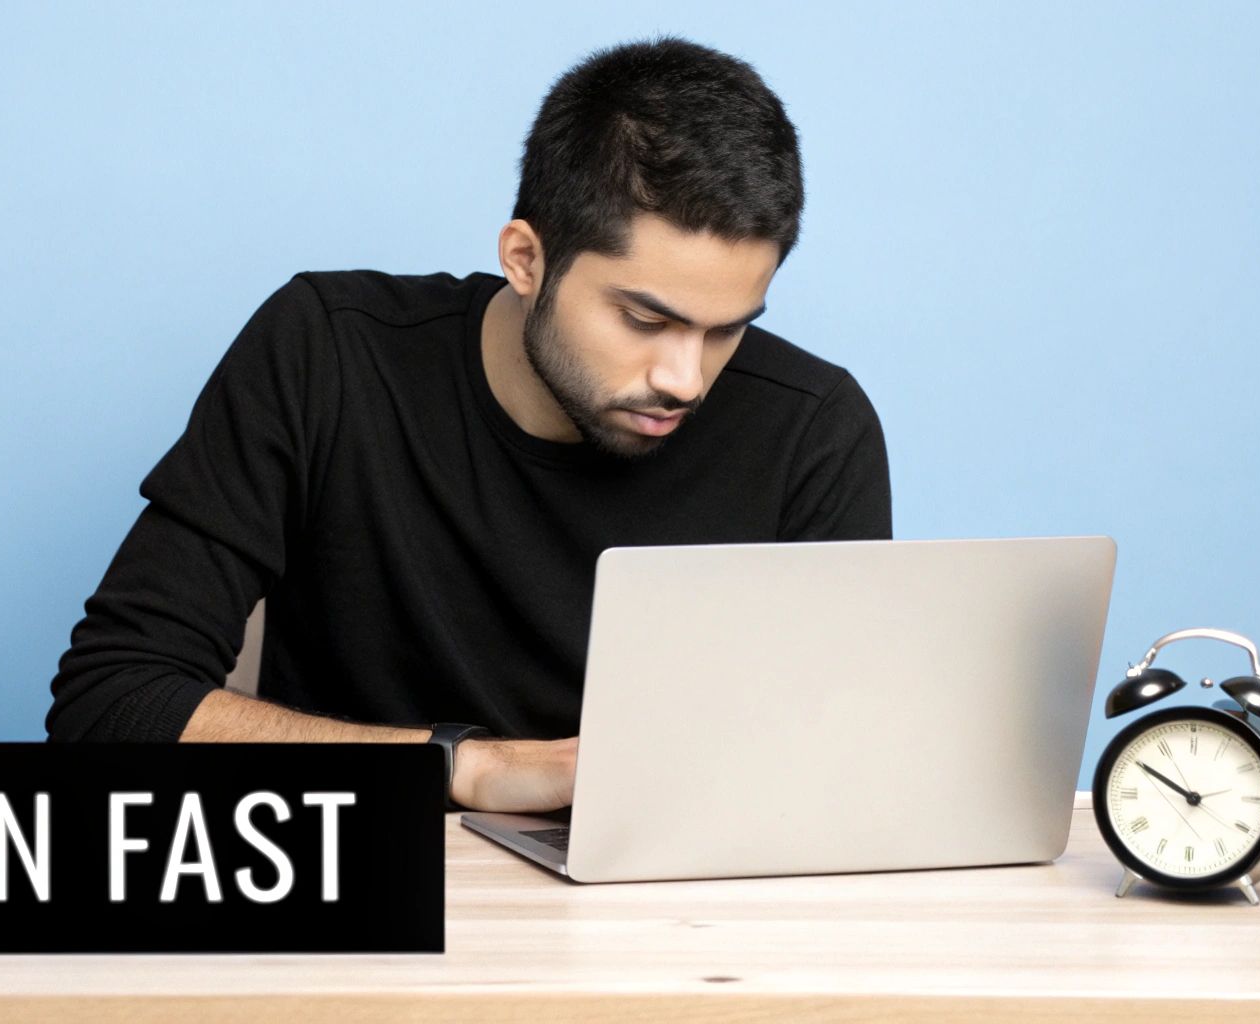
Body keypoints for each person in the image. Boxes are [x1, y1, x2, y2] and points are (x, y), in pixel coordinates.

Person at [46, 35, 891, 814]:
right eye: (643, 319)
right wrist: (470, 767)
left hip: (672, 932)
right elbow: (111, 701)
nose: (685, 378)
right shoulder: (328, 354)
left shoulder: (815, 433)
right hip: (359, 886)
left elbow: (839, 772)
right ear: (526, 258)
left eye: (726, 329)